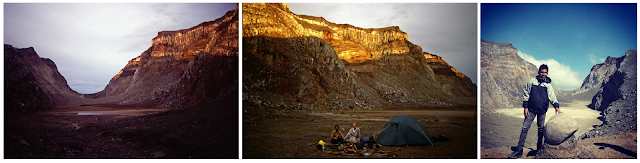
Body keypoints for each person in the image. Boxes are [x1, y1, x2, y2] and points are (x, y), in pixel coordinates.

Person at [508, 64, 562, 158]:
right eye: (542, 72)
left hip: (542, 111)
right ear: (539, 72)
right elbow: (526, 93)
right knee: (524, 128)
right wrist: (525, 107)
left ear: (547, 73)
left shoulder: (548, 85)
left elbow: (552, 97)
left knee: (541, 130)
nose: (543, 74)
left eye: (545, 72)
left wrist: (556, 106)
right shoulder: (532, 82)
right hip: (531, 110)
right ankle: (519, 151)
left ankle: (539, 150)